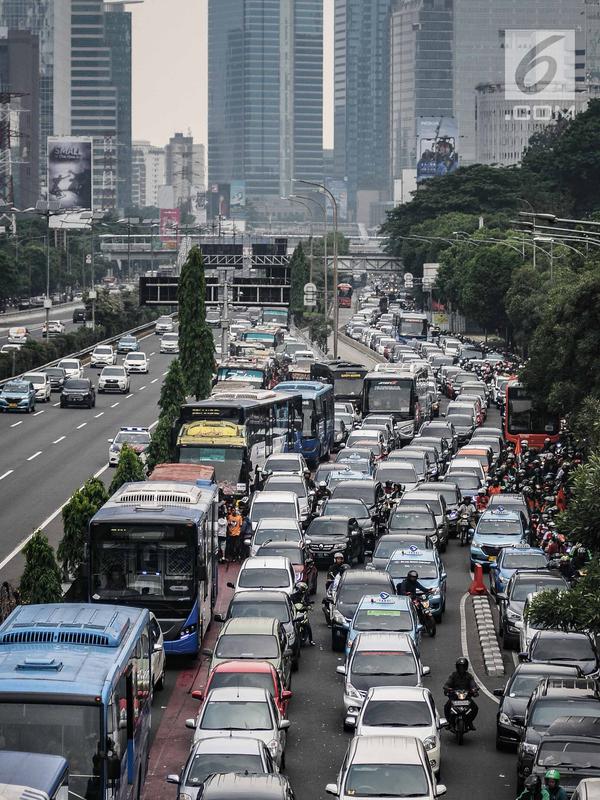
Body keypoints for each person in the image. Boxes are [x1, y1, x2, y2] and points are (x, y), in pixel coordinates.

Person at [443, 657, 479, 730]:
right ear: (457, 667)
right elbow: (447, 683)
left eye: (463, 667)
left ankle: (470, 722)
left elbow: (473, 684)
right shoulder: (453, 675)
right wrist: (448, 688)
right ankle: (450, 722)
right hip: (455, 696)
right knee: (446, 706)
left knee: (475, 708)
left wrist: (474, 690)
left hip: (466, 697)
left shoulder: (469, 676)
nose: (461, 668)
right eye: (460, 667)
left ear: (465, 667)